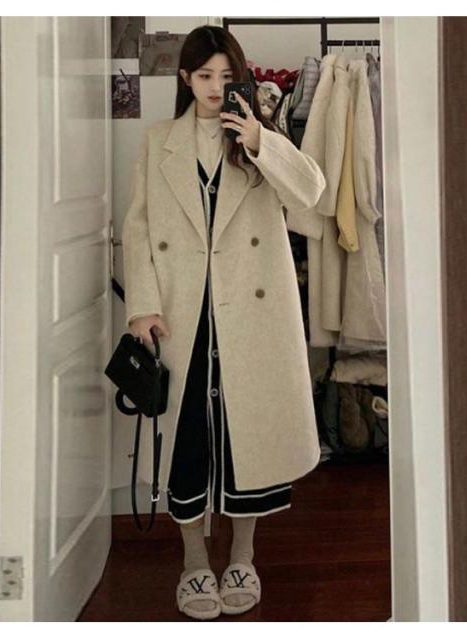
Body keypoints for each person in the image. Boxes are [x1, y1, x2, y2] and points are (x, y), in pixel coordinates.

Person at [122, 25, 325, 620]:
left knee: (247, 440)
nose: (215, 87)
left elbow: (310, 194)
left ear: (241, 79)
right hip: (184, 314)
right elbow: (138, 226)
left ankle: (242, 556)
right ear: (185, 78)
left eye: (226, 76)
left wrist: (260, 138)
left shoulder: (260, 136)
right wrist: (142, 305)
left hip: (252, 315)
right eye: (205, 75)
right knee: (188, 439)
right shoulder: (159, 142)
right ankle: (193, 562)